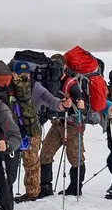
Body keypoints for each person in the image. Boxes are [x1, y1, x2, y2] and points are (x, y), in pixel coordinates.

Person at [12, 61, 69, 202]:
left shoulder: (36, 87)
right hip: (13, 130)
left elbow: (51, 100)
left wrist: (62, 105)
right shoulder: (9, 87)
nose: (24, 77)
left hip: (30, 130)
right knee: (11, 165)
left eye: (26, 75)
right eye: (21, 75)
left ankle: (32, 193)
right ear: (13, 74)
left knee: (30, 163)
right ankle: (6, 195)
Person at [38, 67, 94, 197]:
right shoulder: (52, 81)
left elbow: (82, 105)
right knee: (46, 152)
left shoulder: (72, 84)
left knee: (75, 158)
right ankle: (45, 187)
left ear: (63, 68)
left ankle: (75, 188)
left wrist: (78, 104)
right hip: (58, 123)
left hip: (73, 125)